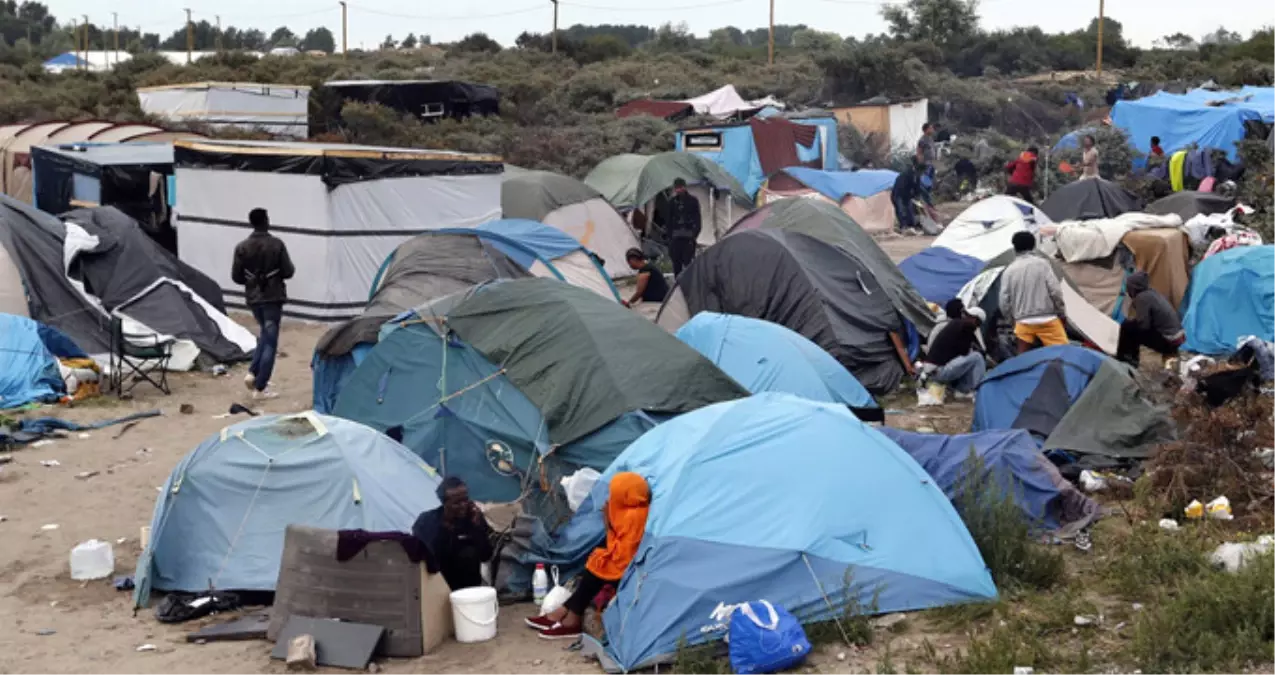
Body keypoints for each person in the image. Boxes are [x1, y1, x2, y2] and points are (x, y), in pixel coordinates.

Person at [525, 472, 650, 640]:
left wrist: (608, 521)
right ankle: (567, 612)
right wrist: (608, 519)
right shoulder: (625, 509)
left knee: (597, 569)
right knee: (596, 563)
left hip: (633, 569)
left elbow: (624, 553)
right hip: (624, 562)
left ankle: (570, 617)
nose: (611, 496)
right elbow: (615, 542)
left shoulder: (635, 515)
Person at [231, 208, 294, 399]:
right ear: (266, 221)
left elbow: (236, 277)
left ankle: (252, 372)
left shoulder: (241, 247)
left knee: (264, 336)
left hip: (254, 298)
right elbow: (288, 271)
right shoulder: (276, 244)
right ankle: (260, 385)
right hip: (272, 298)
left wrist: (253, 281)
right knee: (270, 341)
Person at [411, 477, 493, 591]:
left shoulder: (473, 520)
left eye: (465, 500)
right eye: (457, 503)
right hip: (437, 587)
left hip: (468, 589)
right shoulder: (427, 521)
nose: (463, 505)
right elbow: (429, 557)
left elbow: (486, 555)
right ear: (444, 503)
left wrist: (477, 527)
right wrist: (446, 528)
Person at [1000, 232, 1068, 353]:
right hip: (1047, 319)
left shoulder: (1009, 270)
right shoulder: (1043, 264)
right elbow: (1055, 291)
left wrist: (1013, 321)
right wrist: (1061, 313)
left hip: (1023, 322)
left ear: (1014, 248)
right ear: (1033, 246)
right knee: (1064, 354)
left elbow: (1004, 301)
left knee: (1023, 360)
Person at [1117, 271, 1184, 367]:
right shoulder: (1152, 293)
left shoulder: (1142, 298)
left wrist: (1133, 323)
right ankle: (1131, 358)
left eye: (1128, 287)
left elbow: (1144, 325)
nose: (1127, 290)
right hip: (1177, 337)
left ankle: (1126, 358)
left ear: (1134, 287)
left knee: (1127, 327)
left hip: (1169, 340)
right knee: (1132, 327)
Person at [923, 307, 988, 396]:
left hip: (931, 371)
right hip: (938, 371)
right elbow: (964, 352)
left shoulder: (955, 323)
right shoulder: (966, 327)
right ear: (975, 319)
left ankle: (958, 388)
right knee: (977, 357)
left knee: (971, 359)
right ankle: (965, 391)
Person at [665, 178, 701, 277]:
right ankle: (678, 286)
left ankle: (689, 286)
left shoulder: (693, 201)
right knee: (677, 265)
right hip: (676, 237)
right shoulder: (672, 202)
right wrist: (670, 237)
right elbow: (668, 221)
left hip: (689, 237)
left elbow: (697, 219)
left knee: (688, 265)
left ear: (684, 187)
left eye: (680, 188)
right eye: (677, 188)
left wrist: (694, 235)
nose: (678, 190)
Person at [890, 164, 921, 234]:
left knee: (910, 211)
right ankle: (903, 227)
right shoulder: (906, 174)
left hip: (906, 195)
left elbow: (917, 188)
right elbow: (901, 188)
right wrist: (911, 196)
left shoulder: (917, 176)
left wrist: (916, 196)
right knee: (901, 210)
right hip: (898, 194)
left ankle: (911, 226)